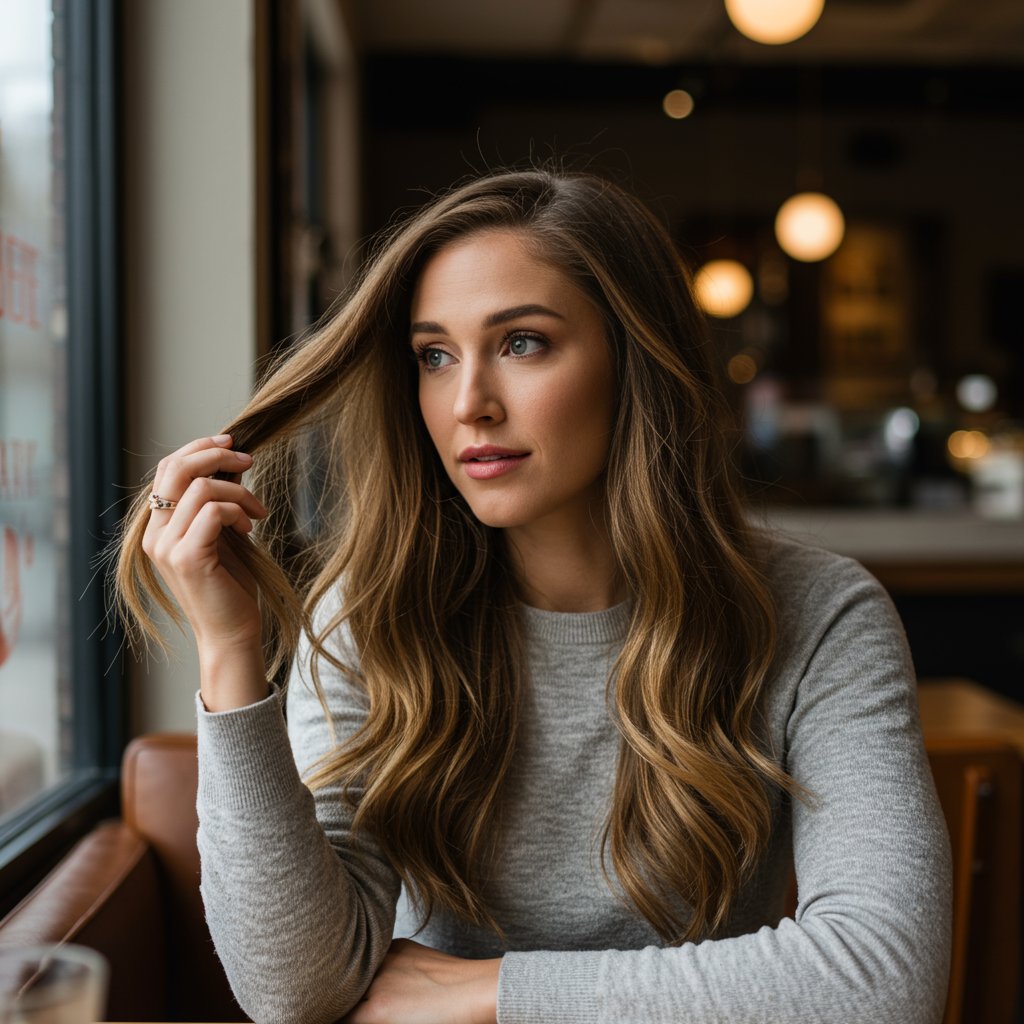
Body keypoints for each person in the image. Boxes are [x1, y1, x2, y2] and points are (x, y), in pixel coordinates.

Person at [116, 168, 951, 1024]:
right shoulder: (372, 618)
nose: (468, 404)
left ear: (634, 358)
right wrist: (228, 652)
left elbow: (884, 981)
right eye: (435, 356)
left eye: (522, 343)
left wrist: (487, 991)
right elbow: (294, 989)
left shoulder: (819, 615)